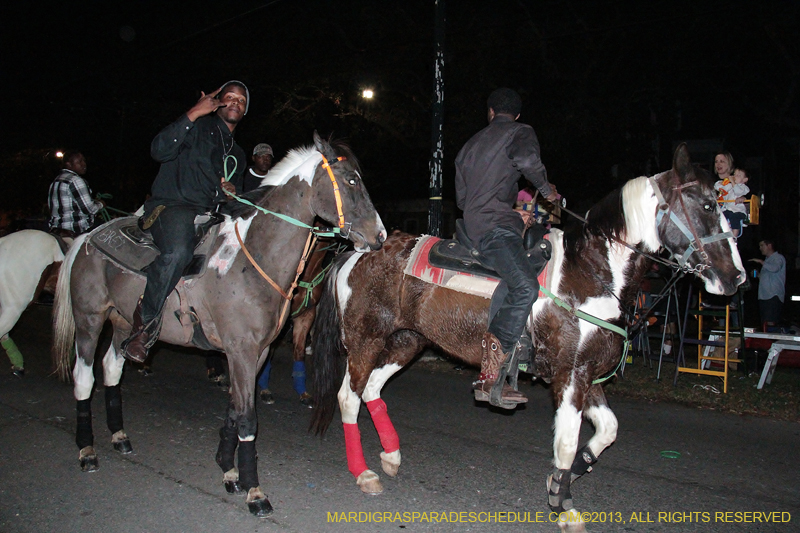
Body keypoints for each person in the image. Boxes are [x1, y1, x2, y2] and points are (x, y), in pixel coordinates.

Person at [122, 81, 249, 363]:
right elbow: (159, 150)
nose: (235, 102)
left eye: (241, 100)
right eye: (229, 97)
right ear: (217, 102)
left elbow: (235, 204)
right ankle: (144, 325)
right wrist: (193, 113)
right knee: (178, 251)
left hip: (213, 215)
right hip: (174, 206)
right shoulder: (197, 126)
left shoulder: (238, 154)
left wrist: (233, 195)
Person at [455, 87, 559, 407]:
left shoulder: (469, 146)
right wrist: (546, 189)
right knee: (526, 288)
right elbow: (526, 158)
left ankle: (522, 346)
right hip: (494, 231)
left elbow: (462, 199)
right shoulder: (520, 131)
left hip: (474, 225)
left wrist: (511, 212)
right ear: (515, 115)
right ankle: (490, 374)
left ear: (489, 112)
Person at [47, 151, 105, 240]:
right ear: (68, 164)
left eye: (84, 161)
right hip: (76, 228)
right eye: (79, 162)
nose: (84, 164)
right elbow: (89, 209)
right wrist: (101, 205)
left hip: (56, 228)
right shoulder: (76, 180)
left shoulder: (56, 180)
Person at [749, 239, 786, 327]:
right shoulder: (767, 260)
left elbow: (775, 268)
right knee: (765, 323)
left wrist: (761, 262)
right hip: (764, 296)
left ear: (769, 245)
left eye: (762, 245)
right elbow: (767, 277)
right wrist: (757, 275)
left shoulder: (778, 258)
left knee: (770, 323)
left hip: (773, 296)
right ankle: (766, 340)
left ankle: (772, 340)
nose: (760, 248)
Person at [715, 167, 750, 238]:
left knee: (734, 217)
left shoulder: (744, 188)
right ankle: (720, 234)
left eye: (738, 175)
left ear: (745, 179)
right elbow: (717, 187)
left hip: (738, 211)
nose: (735, 176)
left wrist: (733, 182)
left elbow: (738, 192)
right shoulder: (729, 186)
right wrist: (721, 182)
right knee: (720, 217)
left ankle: (734, 236)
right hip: (728, 209)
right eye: (734, 174)